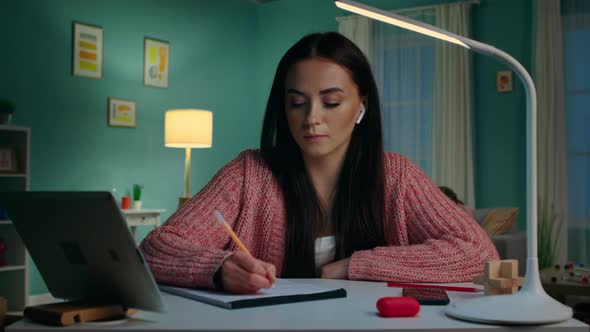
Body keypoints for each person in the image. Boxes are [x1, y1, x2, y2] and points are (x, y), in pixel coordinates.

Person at [140, 32, 498, 295]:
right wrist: (217, 268)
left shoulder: (397, 176)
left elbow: (479, 252)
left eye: (331, 102)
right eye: (297, 102)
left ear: (361, 106)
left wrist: (356, 266)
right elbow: (156, 247)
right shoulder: (249, 173)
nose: (312, 118)